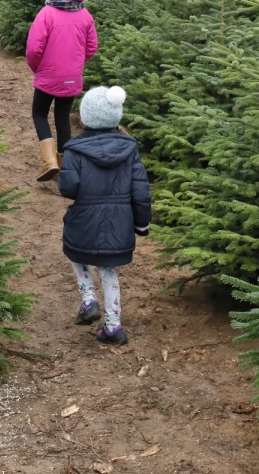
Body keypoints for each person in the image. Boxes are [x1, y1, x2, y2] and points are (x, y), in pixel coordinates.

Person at [58, 86, 151, 345]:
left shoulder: (75, 150)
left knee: (75, 251)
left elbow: (68, 189)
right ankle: (113, 326)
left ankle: (88, 300)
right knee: (109, 269)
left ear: (85, 117)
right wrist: (141, 224)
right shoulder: (129, 149)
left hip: (84, 219)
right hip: (119, 223)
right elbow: (141, 190)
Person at [26, 0, 98, 182]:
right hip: (72, 77)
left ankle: (49, 162)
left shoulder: (47, 13)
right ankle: (65, 166)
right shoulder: (85, 14)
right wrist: (75, 64)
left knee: (39, 113)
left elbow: (33, 49)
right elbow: (92, 45)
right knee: (62, 117)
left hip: (49, 75)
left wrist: (37, 68)